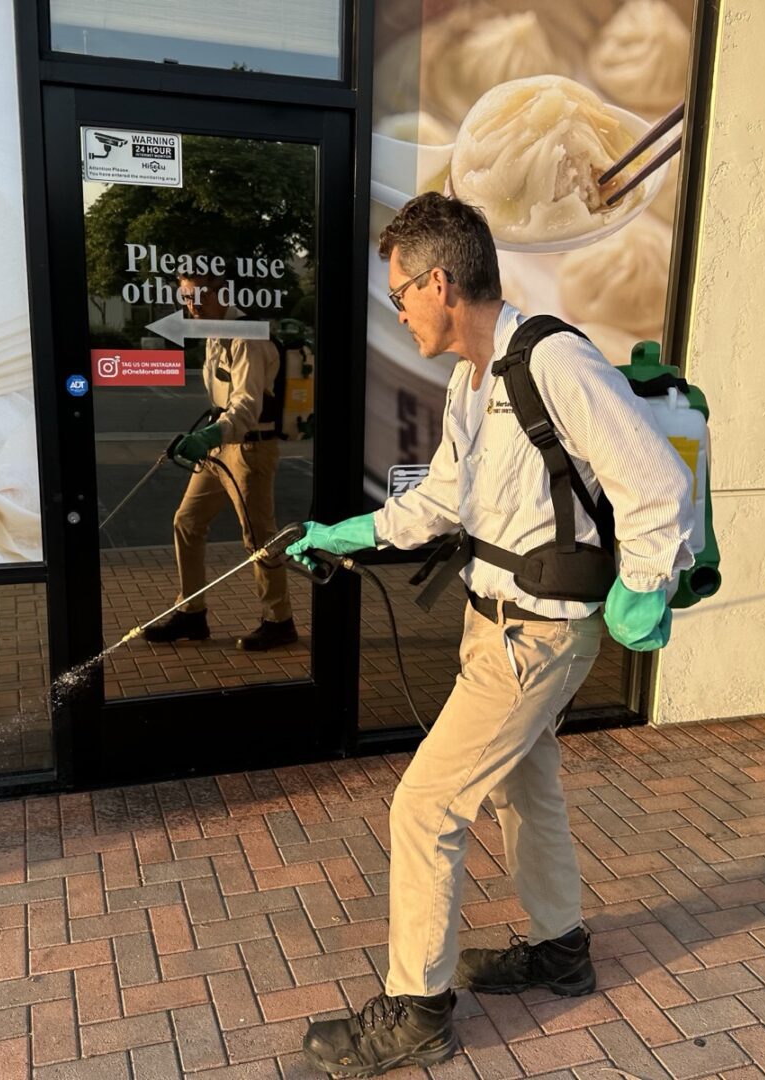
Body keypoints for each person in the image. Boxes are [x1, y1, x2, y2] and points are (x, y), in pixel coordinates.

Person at [288, 193, 695, 1077]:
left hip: (537, 638)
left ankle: (418, 1012)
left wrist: (643, 586)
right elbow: (442, 501)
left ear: (442, 282)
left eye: (401, 292)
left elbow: (657, 484)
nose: (397, 308)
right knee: (524, 792)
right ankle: (560, 951)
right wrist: (349, 534)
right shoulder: (472, 378)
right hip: (491, 624)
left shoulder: (554, 362)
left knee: (426, 805)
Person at [143, 264, 296, 652]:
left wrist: (212, 433)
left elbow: (246, 403)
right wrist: (209, 437)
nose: (191, 304)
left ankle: (279, 622)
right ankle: (192, 613)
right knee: (187, 521)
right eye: (186, 297)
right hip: (218, 446)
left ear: (222, 292)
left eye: (198, 295)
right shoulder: (214, 333)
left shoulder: (247, 337)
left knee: (259, 537)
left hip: (250, 447)